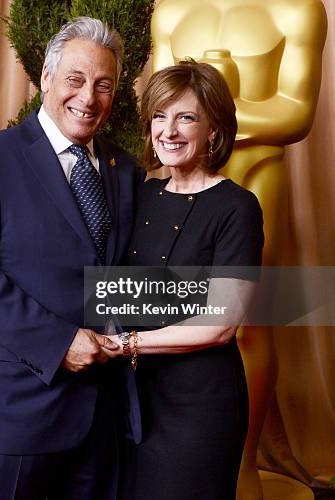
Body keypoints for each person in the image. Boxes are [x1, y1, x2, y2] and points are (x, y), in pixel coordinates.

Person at [150, 0, 327, 495]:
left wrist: (215, 103)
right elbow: (158, 109)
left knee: (250, 323)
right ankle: (181, 451)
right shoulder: (173, 12)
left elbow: (297, 111)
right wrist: (203, 112)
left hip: (257, 175)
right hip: (178, 184)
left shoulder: (297, 8)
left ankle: (243, 464)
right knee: (175, 310)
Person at [0, 16, 143, 500]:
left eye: (103, 85)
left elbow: (123, 273)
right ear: (46, 78)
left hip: (101, 419)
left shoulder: (125, 170)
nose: (88, 98)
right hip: (15, 412)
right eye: (75, 79)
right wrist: (58, 342)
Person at [111, 60, 264, 500]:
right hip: (130, 399)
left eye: (186, 117)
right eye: (160, 115)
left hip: (200, 406)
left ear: (213, 130)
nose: (169, 131)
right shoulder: (138, 195)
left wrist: (124, 345)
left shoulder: (237, 207)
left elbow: (220, 324)